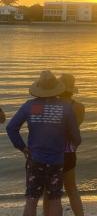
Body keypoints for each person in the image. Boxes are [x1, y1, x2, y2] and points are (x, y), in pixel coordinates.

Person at [6, 70, 81, 216]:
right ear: (56, 89)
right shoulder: (65, 108)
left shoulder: (30, 106)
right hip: (56, 161)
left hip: (35, 159)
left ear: (38, 89)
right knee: (54, 199)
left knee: (31, 199)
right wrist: (71, 145)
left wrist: (23, 148)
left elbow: (11, 128)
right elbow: (76, 137)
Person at [43, 73, 85, 216]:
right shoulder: (79, 107)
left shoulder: (52, 106)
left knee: (50, 192)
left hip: (51, 152)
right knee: (72, 189)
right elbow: (74, 131)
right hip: (69, 152)